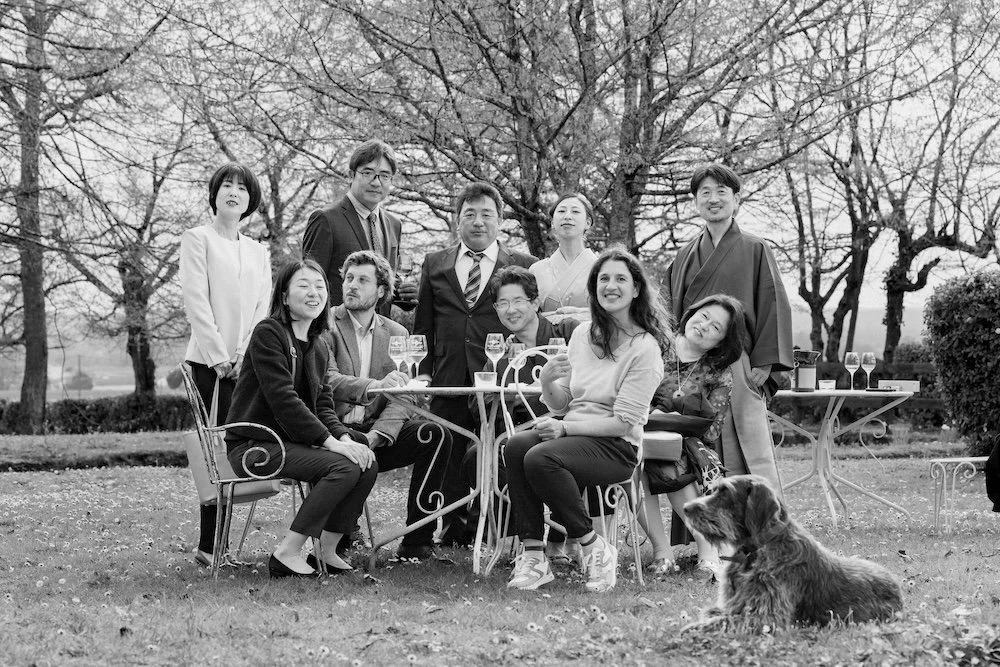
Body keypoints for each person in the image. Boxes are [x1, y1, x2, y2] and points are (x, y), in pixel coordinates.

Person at [503, 246, 669, 592]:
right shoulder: (581, 334)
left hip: (616, 447)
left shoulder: (645, 348)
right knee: (517, 445)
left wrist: (564, 427)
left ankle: (594, 548)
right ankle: (534, 556)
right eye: (603, 278)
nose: (611, 285)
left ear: (636, 289)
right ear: (593, 288)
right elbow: (564, 402)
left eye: (620, 279)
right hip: (575, 435)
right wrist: (548, 381)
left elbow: (625, 422)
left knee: (540, 456)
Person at [225, 259, 377, 578]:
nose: (314, 292)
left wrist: (345, 439)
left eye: (320, 286)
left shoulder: (319, 345)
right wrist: (331, 444)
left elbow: (322, 405)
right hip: (256, 446)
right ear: (283, 296)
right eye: (303, 285)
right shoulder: (269, 333)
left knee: (365, 458)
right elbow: (284, 401)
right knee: (342, 465)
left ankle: (326, 550)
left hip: (290, 442)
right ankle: (287, 553)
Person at [412, 182, 537, 546]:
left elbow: (529, 321)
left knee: (495, 451)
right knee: (442, 453)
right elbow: (424, 325)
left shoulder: (523, 264)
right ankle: (429, 534)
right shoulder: (436, 263)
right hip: (448, 375)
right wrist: (422, 373)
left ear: (499, 220)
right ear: (458, 221)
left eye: (486, 214)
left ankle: (495, 530)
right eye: (470, 214)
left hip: (501, 378)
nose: (478, 222)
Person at [664, 163, 793, 493]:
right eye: (704, 192)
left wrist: (766, 361)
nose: (713, 199)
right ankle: (707, 534)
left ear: (737, 199)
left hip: (740, 362)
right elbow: (671, 314)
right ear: (695, 202)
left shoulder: (755, 248)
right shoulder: (683, 256)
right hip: (693, 365)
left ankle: (760, 528)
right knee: (696, 449)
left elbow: (773, 303)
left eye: (722, 192)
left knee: (748, 446)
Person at [324, 250, 453, 561]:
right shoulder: (325, 324)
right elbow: (327, 380)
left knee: (435, 434)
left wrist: (377, 436)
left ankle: (417, 540)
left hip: (376, 435)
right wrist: (374, 387)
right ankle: (340, 535)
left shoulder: (397, 333)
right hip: (335, 432)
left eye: (362, 280)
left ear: (381, 291)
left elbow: (405, 395)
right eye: (349, 279)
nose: (352, 286)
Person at [179, 162, 271, 568]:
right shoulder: (197, 239)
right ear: (214, 194)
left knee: (236, 453)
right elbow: (196, 300)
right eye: (226, 186)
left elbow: (260, 309)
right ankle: (207, 545)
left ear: (251, 200)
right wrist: (219, 357)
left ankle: (225, 546)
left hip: (243, 365)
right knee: (209, 455)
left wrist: (242, 355)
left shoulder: (257, 250)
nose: (234, 193)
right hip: (206, 363)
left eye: (242, 188)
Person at [458, 266, 580, 562]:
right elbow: (478, 406)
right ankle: (523, 539)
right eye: (502, 303)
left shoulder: (566, 334)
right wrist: (507, 397)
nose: (510, 310)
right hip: (515, 433)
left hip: (568, 429)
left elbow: (590, 384)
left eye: (518, 301)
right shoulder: (499, 353)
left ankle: (561, 536)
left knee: (541, 453)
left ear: (535, 302)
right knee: (477, 455)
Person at [637, 294, 746, 577]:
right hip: (638, 430)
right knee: (635, 463)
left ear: (722, 342)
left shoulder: (718, 372)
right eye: (705, 316)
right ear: (692, 313)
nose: (704, 326)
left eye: (716, 328)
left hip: (691, 445)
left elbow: (712, 429)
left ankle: (707, 552)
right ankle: (662, 551)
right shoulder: (656, 345)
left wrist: (675, 423)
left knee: (671, 458)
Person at [302, 139, 416, 316]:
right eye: (367, 173)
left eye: (384, 176)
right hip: (335, 333)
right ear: (351, 175)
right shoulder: (325, 219)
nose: (376, 182)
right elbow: (310, 283)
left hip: (379, 333)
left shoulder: (394, 224)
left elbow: (383, 282)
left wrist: (402, 294)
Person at [530, 192, 598, 323]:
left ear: (588, 223)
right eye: (561, 211)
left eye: (575, 212)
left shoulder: (601, 268)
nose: (567, 216)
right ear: (552, 223)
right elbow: (528, 316)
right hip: (547, 340)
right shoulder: (536, 270)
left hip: (590, 339)